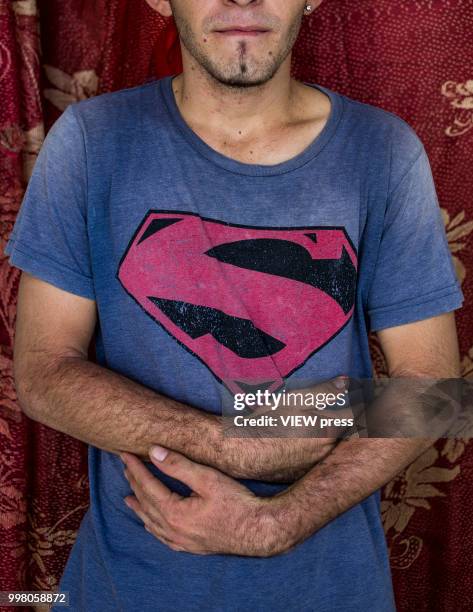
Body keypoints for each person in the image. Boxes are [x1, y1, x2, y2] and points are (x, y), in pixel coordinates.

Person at [5, 0, 464, 610]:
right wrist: (236, 440)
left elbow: (432, 392)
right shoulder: (92, 141)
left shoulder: (383, 151)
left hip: (329, 592)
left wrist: (276, 523)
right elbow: (41, 373)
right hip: (125, 591)